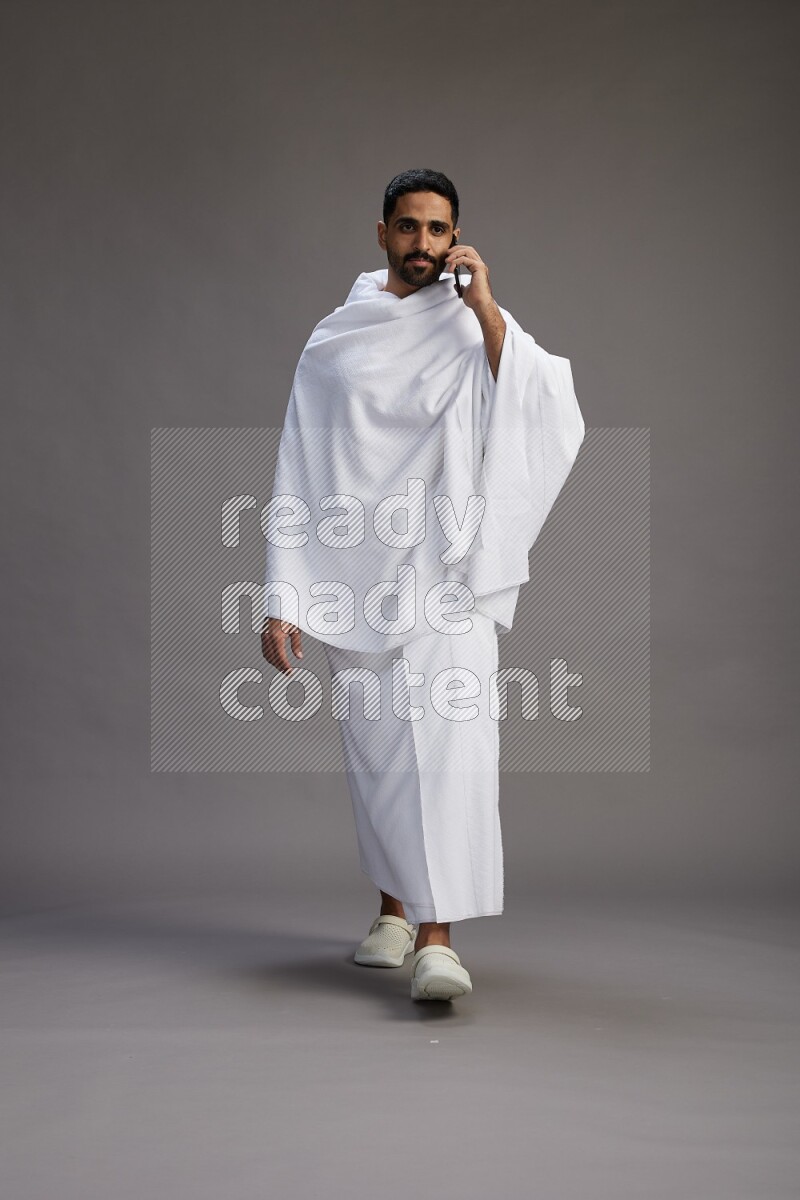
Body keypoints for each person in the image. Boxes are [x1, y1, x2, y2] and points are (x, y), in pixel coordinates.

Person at [261, 169, 585, 1002]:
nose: (424, 244)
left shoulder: (476, 324)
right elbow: (299, 458)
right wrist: (283, 595)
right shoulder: (336, 339)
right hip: (354, 574)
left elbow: (546, 403)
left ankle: (440, 939)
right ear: (383, 234)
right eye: (408, 227)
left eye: (438, 230)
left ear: (456, 237)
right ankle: (393, 911)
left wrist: (486, 310)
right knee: (378, 758)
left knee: (450, 753)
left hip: (448, 573)